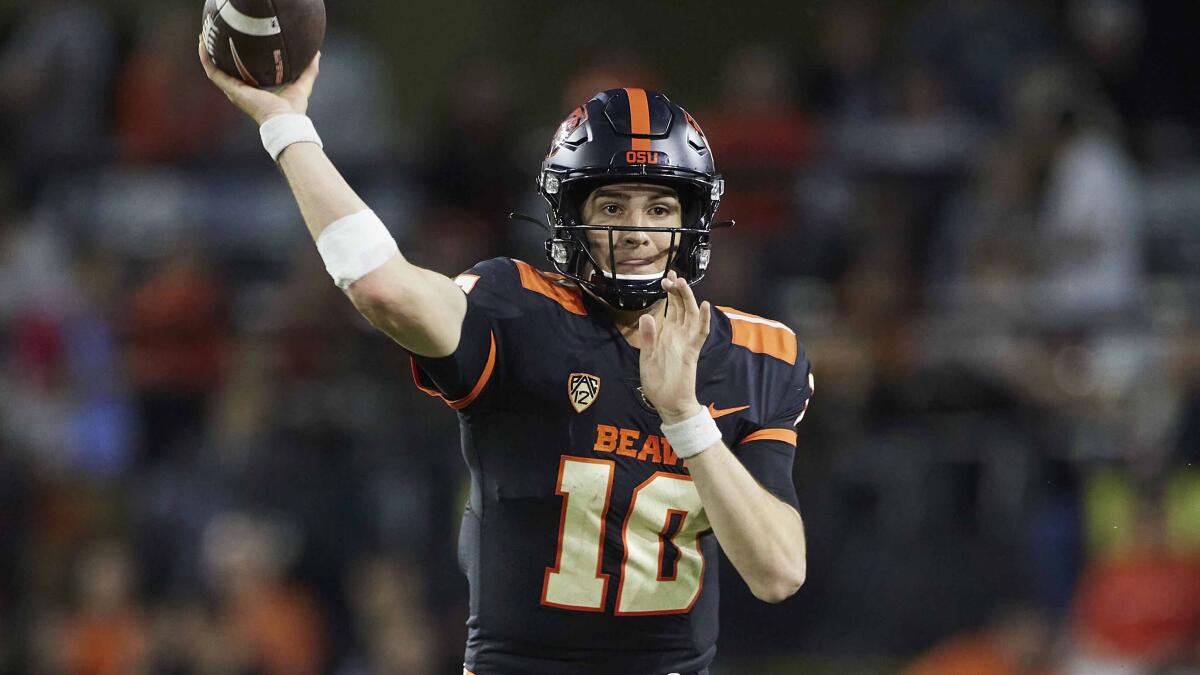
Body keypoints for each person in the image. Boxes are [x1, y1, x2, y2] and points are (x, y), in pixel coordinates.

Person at [199, 40, 813, 675]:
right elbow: (383, 288)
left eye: (659, 207)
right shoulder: (519, 312)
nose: (635, 230)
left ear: (692, 222)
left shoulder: (757, 354)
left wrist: (685, 417)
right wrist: (287, 125)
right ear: (569, 218)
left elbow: (778, 572)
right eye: (611, 206)